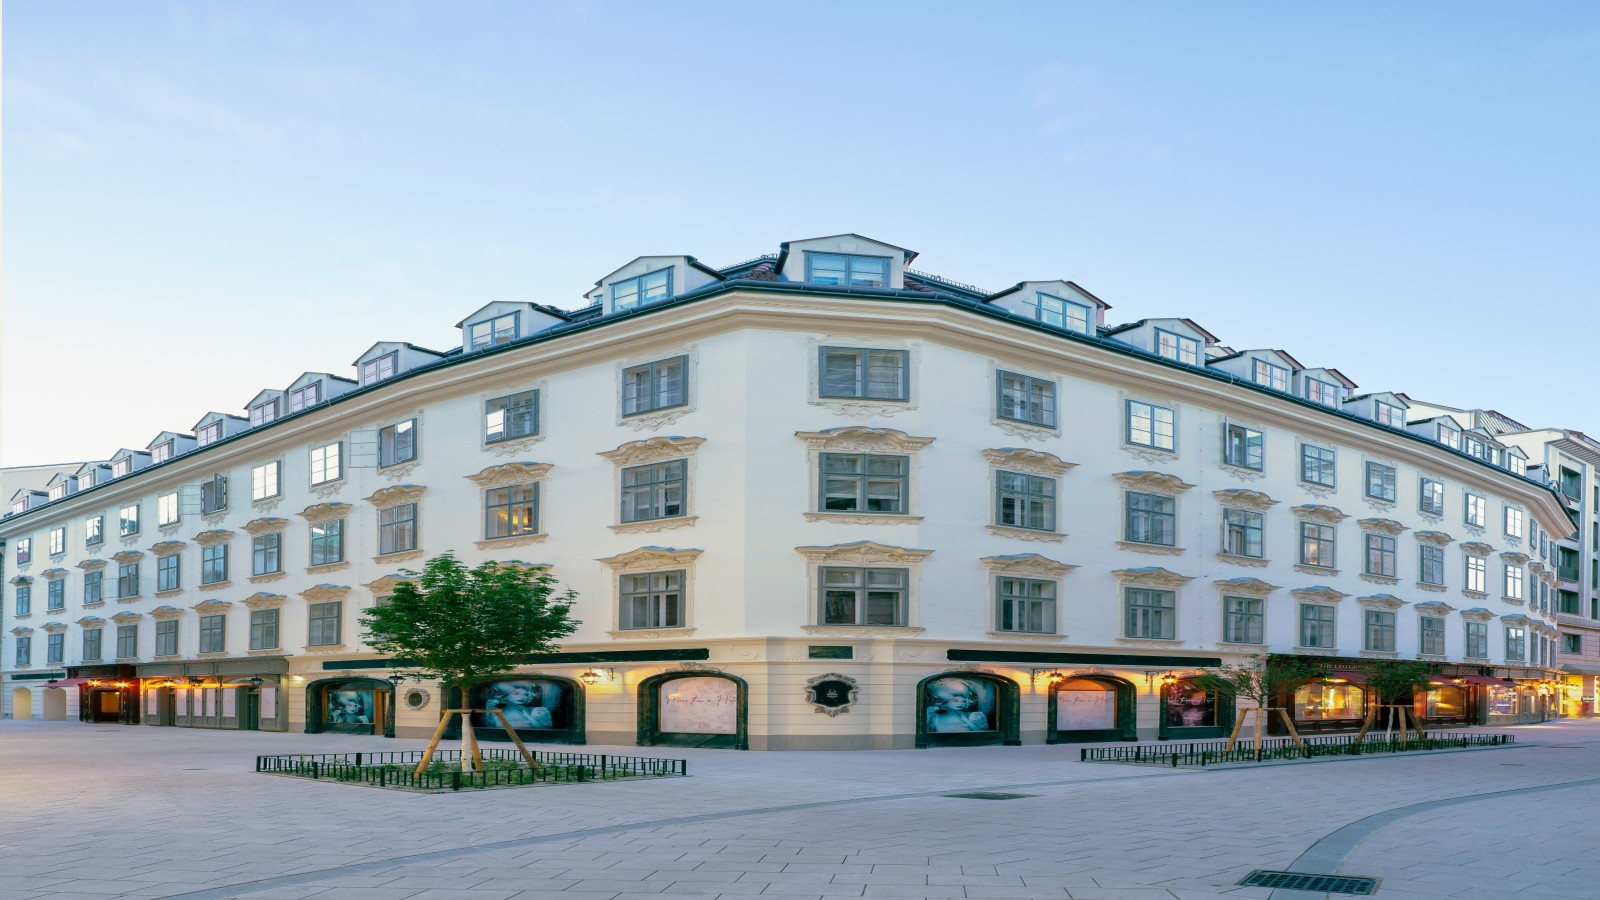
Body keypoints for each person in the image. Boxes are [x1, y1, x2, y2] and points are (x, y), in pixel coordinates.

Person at [925, 678, 990, 733]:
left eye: (963, 701)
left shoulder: (974, 716)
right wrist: (928, 717)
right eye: (955, 700)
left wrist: (966, 720)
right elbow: (928, 734)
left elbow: (983, 733)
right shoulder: (935, 718)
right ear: (945, 702)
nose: (960, 703)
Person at [487, 682, 553, 729]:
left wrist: (527, 715)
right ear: (506, 696)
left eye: (525, 694)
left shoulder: (537, 712)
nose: (522, 697)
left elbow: (546, 731)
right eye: (517, 694)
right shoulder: (495, 713)